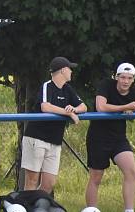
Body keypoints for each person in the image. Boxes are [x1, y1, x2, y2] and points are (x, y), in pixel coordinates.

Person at [84, 63, 135, 212]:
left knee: (131, 170)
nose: (125, 81)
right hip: (98, 137)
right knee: (96, 177)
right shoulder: (105, 85)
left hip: (118, 138)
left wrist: (129, 111)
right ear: (116, 77)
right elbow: (100, 107)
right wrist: (125, 107)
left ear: (133, 80)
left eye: (129, 78)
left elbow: (131, 114)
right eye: (123, 77)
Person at [21, 56, 87, 193]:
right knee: (32, 180)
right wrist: (67, 113)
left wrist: (74, 109)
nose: (71, 72)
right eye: (70, 69)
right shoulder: (47, 86)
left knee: (49, 184)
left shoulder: (67, 89)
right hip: (36, 138)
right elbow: (45, 107)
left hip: (55, 141)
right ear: (63, 70)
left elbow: (84, 107)